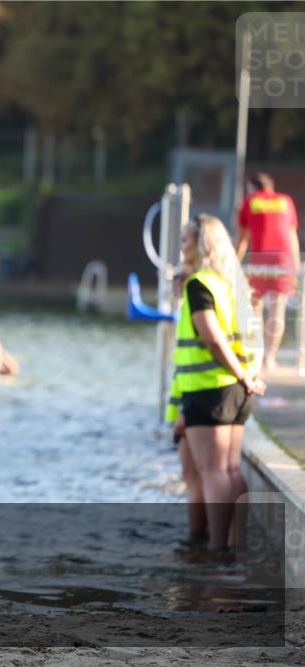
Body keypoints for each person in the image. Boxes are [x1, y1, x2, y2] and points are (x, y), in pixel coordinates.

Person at [166, 214, 265, 554]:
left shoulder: (200, 285)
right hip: (236, 391)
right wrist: (249, 375)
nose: (181, 248)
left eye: (186, 241)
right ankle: (236, 546)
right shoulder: (232, 285)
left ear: (203, 245)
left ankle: (217, 551)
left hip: (210, 389)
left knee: (213, 473)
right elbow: (251, 338)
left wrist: (241, 374)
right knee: (231, 470)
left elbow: (212, 338)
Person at [235, 173, 301, 371]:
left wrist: (233, 263)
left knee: (254, 307)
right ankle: (270, 358)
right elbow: (292, 235)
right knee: (277, 309)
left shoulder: (251, 201)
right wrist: (296, 265)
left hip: (260, 258)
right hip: (283, 260)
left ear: (253, 188)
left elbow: (242, 238)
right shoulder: (286, 201)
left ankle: (256, 354)